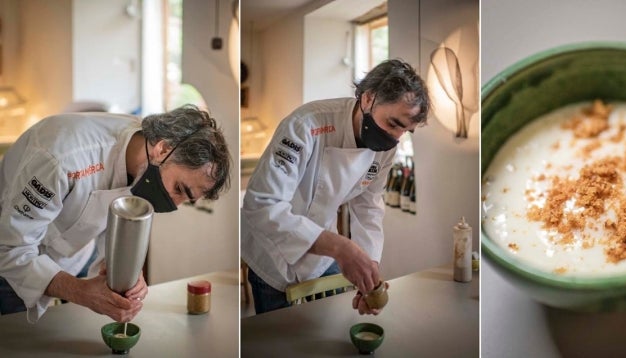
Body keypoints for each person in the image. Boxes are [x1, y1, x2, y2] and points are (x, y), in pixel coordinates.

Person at [0, 105, 231, 323]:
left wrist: (122, 270)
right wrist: (81, 292)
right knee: (20, 340)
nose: (174, 204)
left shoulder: (146, 162)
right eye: (179, 189)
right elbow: (10, 248)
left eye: (186, 200)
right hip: (14, 264)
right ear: (163, 149)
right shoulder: (60, 158)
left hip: (77, 253)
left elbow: (110, 217)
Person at [241, 59, 430, 314]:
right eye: (393, 124)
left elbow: (369, 207)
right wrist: (341, 247)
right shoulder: (305, 125)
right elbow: (262, 205)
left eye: (406, 130)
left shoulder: (386, 148)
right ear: (368, 99)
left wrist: (368, 272)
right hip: (272, 254)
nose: (396, 137)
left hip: (321, 255)